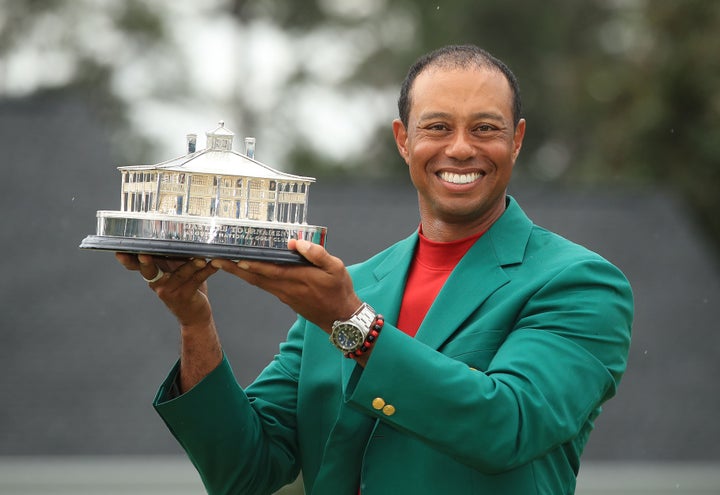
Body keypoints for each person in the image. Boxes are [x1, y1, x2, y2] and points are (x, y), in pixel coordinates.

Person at [116, 44, 633, 494]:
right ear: (403, 139)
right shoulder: (348, 289)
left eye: (485, 128)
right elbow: (243, 473)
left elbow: (508, 427)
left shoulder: (579, 283)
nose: (459, 147)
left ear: (516, 140)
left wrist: (352, 324)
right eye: (437, 126)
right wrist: (194, 322)